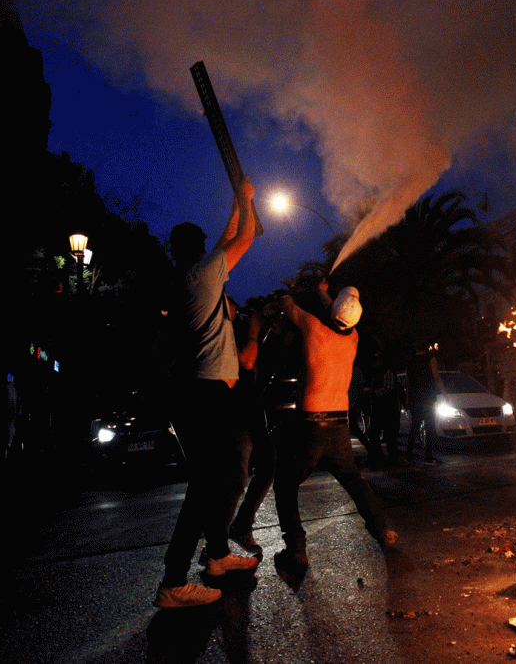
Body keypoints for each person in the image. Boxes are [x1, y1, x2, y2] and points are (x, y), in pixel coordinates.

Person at [154, 177, 259, 610]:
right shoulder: (204, 274)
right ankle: (174, 581)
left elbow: (225, 241)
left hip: (198, 390)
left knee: (214, 479)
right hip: (207, 392)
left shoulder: (192, 274)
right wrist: (248, 203)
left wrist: (236, 203)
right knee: (204, 486)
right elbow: (245, 238)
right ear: (200, 250)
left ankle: (216, 556)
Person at [271, 281, 398, 572]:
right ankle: (381, 531)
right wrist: (321, 290)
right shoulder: (352, 338)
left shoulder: (313, 327)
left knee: (286, 485)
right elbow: (338, 314)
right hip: (339, 424)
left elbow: (286, 305)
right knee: (354, 480)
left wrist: (288, 292)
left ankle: (296, 549)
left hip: (310, 425)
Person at [226, 298, 275, 556]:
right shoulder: (223, 334)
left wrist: (262, 330)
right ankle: (218, 543)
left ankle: (241, 524)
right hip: (236, 415)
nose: (238, 311)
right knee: (235, 480)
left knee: (269, 465)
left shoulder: (239, 332)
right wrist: (255, 331)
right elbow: (245, 361)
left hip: (253, 413)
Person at [405, 339, 446, 464]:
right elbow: (436, 376)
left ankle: (409, 455)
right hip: (427, 397)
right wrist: (444, 393)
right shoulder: (431, 360)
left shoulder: (410, 362)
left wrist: (408, 398)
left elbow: (407, 381)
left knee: (415, 427)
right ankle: (428, 456)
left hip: (415, 398)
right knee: (430, 428)